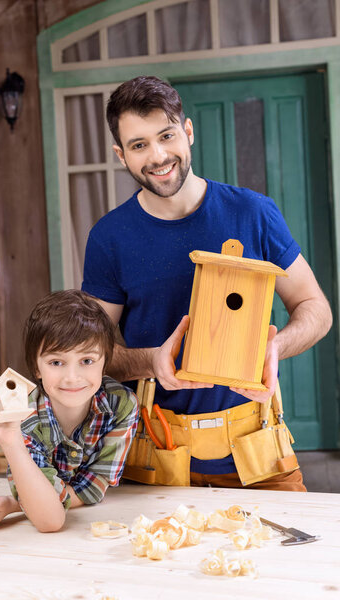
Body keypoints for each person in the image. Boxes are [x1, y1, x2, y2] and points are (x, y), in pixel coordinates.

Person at [81, 76, 333, 492]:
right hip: (154, 453)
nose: (158, 155)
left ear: (188, 132)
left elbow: (315, 309)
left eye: (166, 135)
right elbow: (93, 355)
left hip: (258, 453)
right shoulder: (109, 238)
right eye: (139, 144)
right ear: (120, 155)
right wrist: (152, 362)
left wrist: (273, 349)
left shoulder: (253, 212)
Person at [0, 290, 138, 533]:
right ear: (37, 367)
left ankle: (24, 500)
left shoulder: (121, 404)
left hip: (71, 501)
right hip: (49, 507)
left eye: (87, 361)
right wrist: (11, 442)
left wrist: (21, 504)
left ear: (104, 363)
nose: (72, 378)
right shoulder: (23, 417)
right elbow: (51, 522)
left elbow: (94, 488)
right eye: (56, 362)